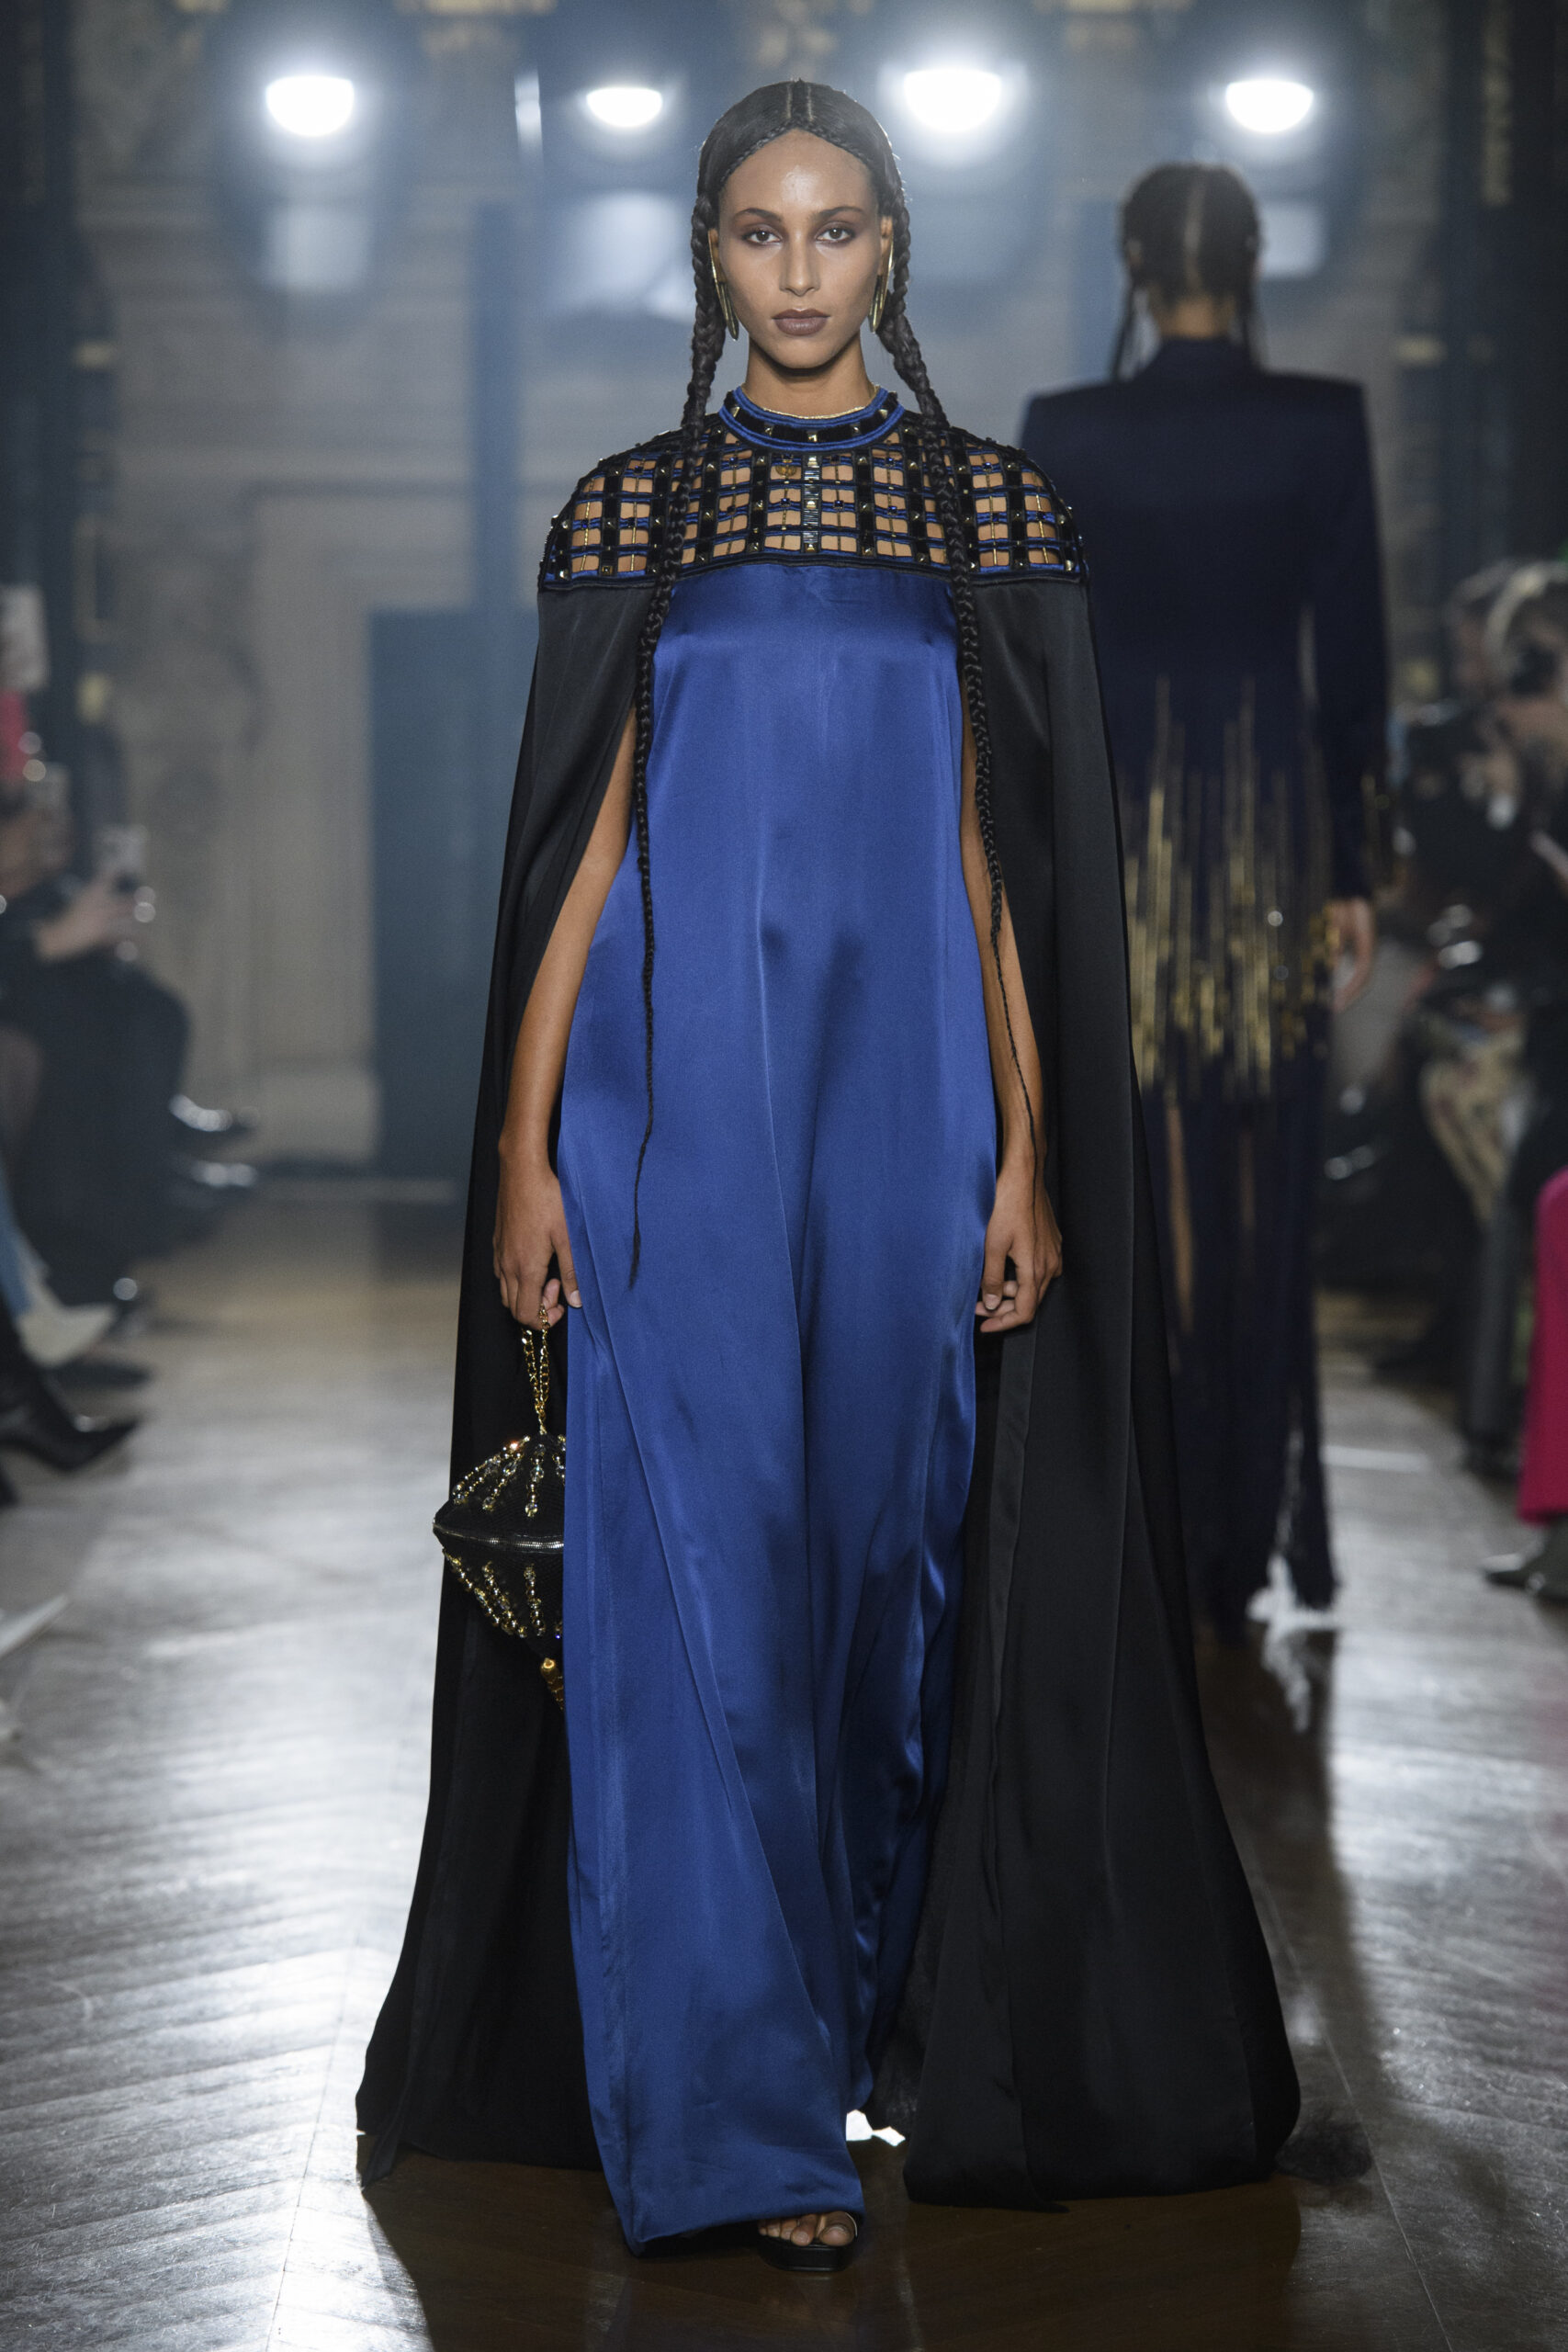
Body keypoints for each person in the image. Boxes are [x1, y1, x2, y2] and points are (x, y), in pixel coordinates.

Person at [359, 85, 1299, 2266]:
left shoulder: (990, 516)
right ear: (708, 253)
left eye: (836, 230)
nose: (798, 272)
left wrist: (1030, 1153)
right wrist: (518, 1150)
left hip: (913, 1120)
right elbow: (575, 857)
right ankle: (737, 2117)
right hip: (659, 1122)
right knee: (697, 1587)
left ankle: (860, 2020)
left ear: (891, 249)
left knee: (883, 1592)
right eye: (759, 233)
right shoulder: (631, 514)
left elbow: (1001, 869)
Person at [1021, 164, 1387, 1639]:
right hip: (1270, 827)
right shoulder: (1322, 421)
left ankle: (1157, 1522)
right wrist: (1353, 868)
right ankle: (1238, 1528)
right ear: (1253, 260)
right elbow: (1352, 669)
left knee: (1145, 1162)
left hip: (1125, 830)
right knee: (1256, 1168)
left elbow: (1039, 664)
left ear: (1131, 261)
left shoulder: (1067, 429)